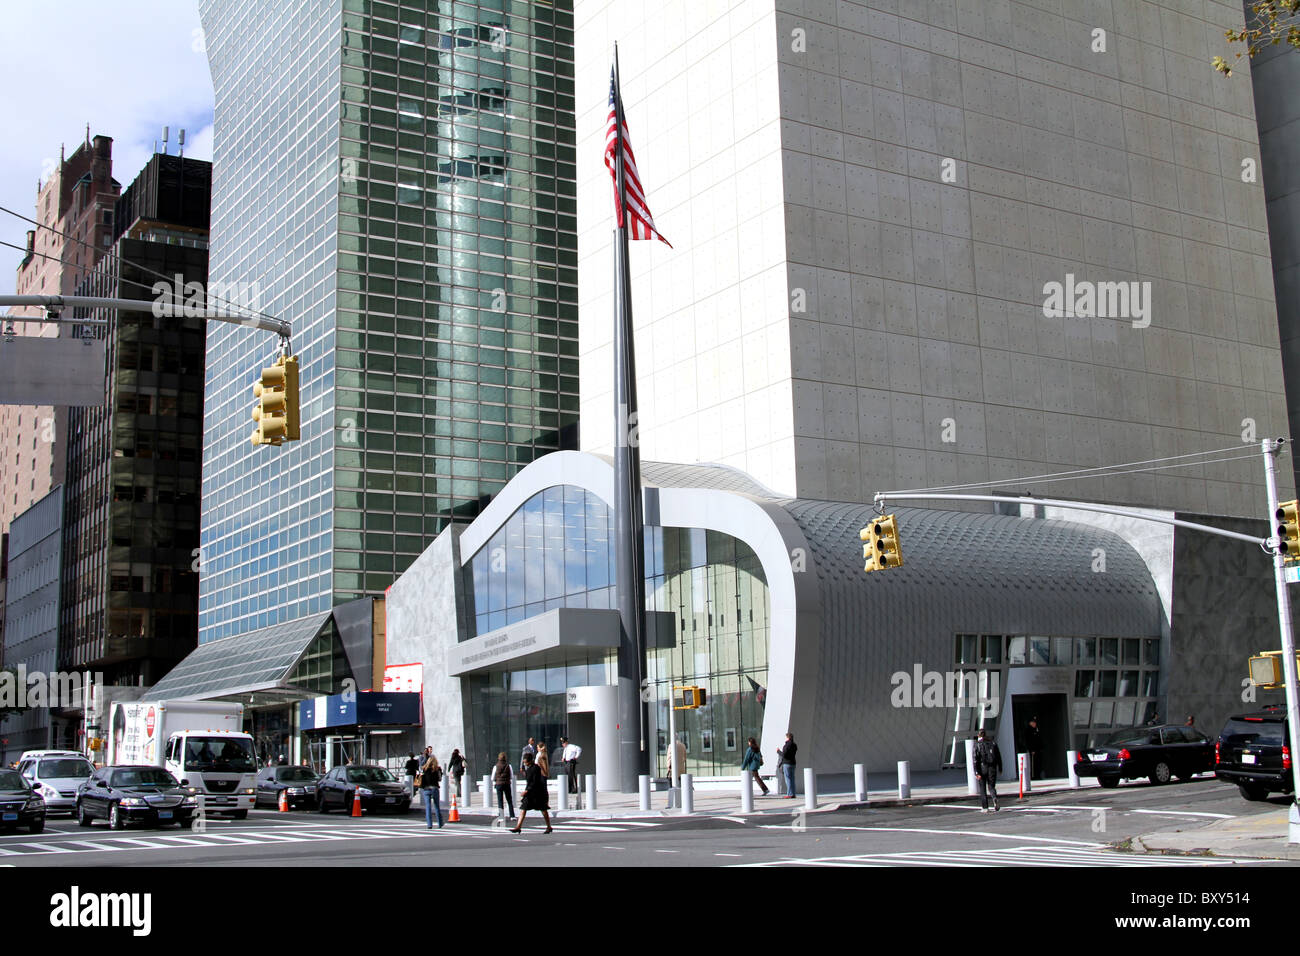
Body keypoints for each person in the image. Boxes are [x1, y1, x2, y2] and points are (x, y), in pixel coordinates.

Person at [511, 751, 551, 834]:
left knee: (543, 810)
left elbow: (534, 781)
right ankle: (518, 826)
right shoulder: (529, 769)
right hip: (530, 793)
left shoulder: (535, 768)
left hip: (536, 793)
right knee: (523, 809)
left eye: (525, 762)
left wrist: (526, 790)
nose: (524, 764)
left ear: (530, 761)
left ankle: (549, 826)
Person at [973, 729, 1001, 812]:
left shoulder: (977, 744)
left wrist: (976, 772)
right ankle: (994, 797)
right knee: (991, 786)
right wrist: (1000, 767)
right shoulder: (993, 743)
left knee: (982, 788)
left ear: (979, 735)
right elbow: (998, 756)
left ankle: (985, 807)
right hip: (992, 767)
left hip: (982, 767)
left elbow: (975, 759)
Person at [419, 750, 444, 828]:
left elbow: (421, 777)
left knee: (428, 807)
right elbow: (440, 779)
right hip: (434, 788)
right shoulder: (437, 769)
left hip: (426, 788)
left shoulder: (424, 769)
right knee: (437, 806)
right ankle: (440, 823)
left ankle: (429, 824)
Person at [493, 751, 515, 821]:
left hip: (499, 784)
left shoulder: (496, 766)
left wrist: (496, 780)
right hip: (507, 784)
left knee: (500, 800)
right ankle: (512, 816)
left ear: (498, 758)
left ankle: (501, 817)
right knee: (509, 800)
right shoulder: (509, 766)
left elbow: (492, 777)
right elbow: (511, 776)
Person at [776, 732, 798, 798]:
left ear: (787, 738)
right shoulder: (794, 745)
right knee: (792, 779)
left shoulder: (786, 745)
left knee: (788, 779)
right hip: (793, 763)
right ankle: (793, 794)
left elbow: (784, 755)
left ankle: (789, 794)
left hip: (787, 763)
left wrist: (778, 751)